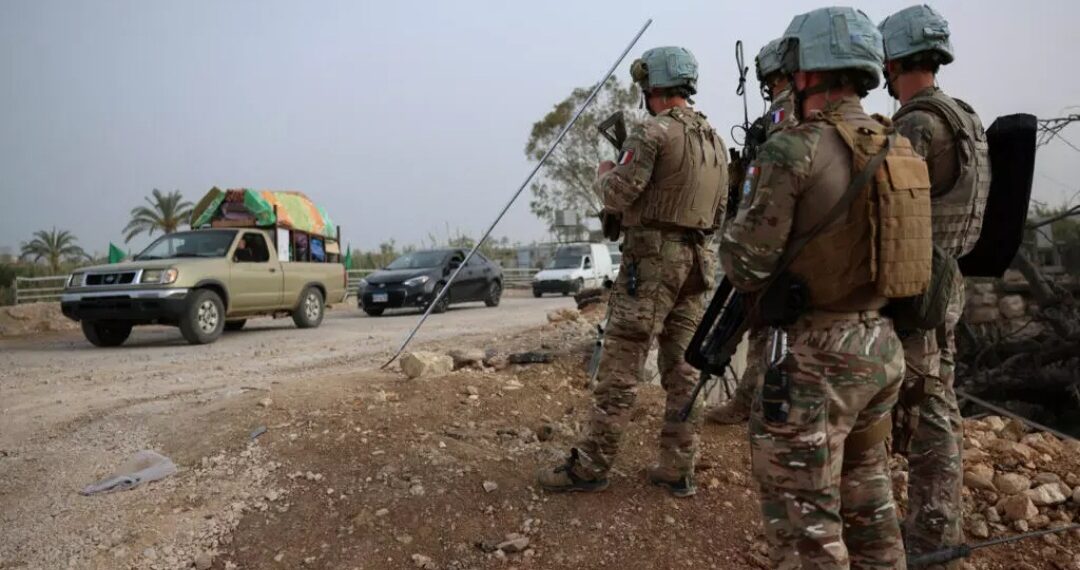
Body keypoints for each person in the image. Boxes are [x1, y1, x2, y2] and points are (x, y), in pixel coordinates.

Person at [722, 6, 932, 567]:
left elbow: (744, 265)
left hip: (814, 360)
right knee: (871, 505)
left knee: (806, 532)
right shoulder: (900, 146)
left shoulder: (794, 149)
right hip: (881, 350)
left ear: (808, 72)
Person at [536, 46, 728, 498]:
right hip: (698, 264)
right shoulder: (714, 141)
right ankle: (678, 467)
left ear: (652, 87)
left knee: (621, 367)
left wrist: (604, 173)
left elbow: (619, 195)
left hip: (652, 264)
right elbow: (719, 212)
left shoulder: (652, 133)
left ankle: (591, 467)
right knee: (683, 369)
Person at [880, 4, 990, 563]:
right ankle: (934, 522)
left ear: (892, 59)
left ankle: (932, 532)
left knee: (927, 410)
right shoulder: (963, 114)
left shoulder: (917, 123)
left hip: (920, 282)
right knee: (937, 399)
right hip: (947, 280)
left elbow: (885, 208)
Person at [706, 37, 796, 426]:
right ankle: (750, 400)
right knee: (763, 323)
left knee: (767, 323)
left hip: (777, 237)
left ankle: (755, 404)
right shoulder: (801, 110)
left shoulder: (785, 114)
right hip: (788, 236)